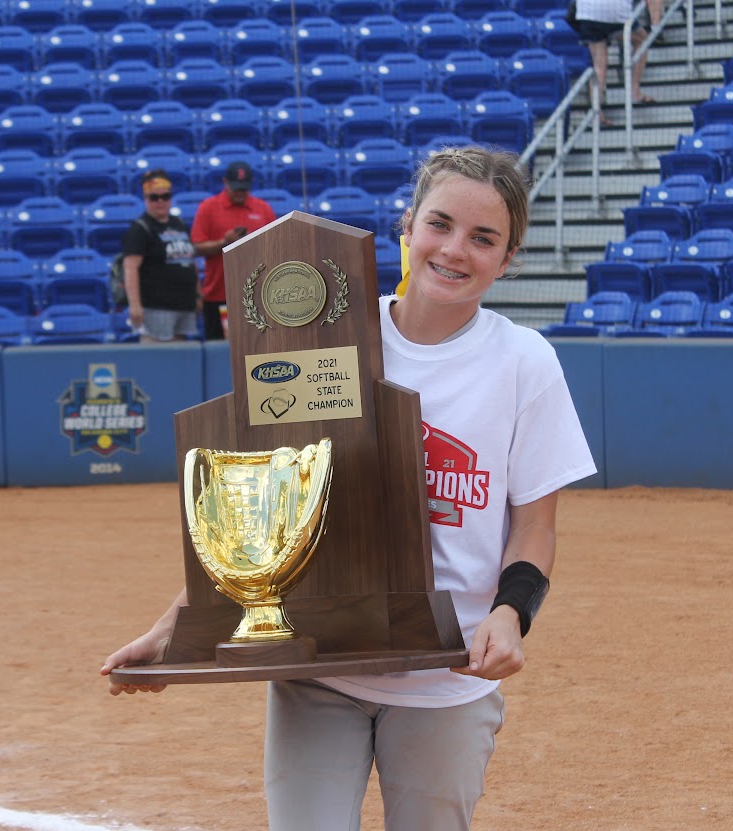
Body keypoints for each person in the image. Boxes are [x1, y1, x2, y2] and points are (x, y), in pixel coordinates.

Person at [101, 146, 597, 830]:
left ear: (508, 258)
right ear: (408, 225)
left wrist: (512, 613)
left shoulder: (525, 363)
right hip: (318, 665)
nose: (455, 250)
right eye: (440, 224)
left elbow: (535, 526)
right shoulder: (327, 336)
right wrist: (172, 626)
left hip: (447, 677)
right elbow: (267, 512)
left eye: (484, 238)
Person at [190, 161, 278, 340]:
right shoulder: (208, 208)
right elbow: (196, 248)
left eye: (244, 189)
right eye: (236, 188)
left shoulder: (263, 209)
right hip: (219, 295)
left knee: (257, 348)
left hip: (258, 296)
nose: (240, 193)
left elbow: (277, 245)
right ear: (225, 182)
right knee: (221, 351)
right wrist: (224, 242)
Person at [120, 169, 202, 342]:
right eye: (154, 197)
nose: (160, 202)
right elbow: (130, 268)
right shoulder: (140, 229)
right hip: (156, 307)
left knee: (182, 357)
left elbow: (190, 260)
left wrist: (198, 295)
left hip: (183, 306)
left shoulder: (179, 223)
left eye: (165, 196)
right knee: (157, 359)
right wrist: (134, 305)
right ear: (146, 199)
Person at [573, 0, 655, 125]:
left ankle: (597, 112)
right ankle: (636, 91)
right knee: (642, 39)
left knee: (599, 65)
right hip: (616, 12)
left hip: (588, 13)